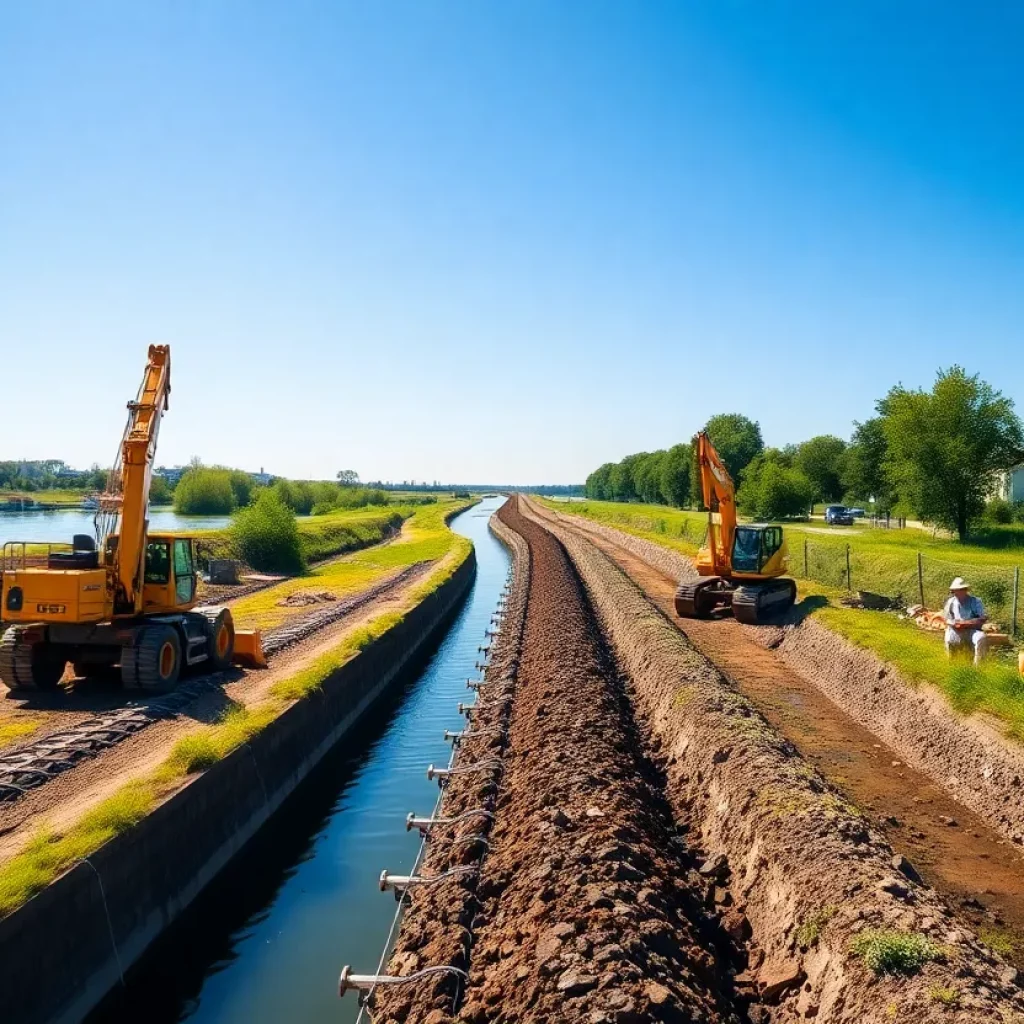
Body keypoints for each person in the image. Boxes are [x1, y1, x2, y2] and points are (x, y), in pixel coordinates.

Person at [943, 577, 988, 665]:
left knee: (981, 638)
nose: (957, 592)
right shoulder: (951, 602)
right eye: (955, 590)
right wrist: (954, 623)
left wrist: (967, 623)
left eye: (960, 590)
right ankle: (951, 664)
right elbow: (946, 618)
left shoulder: (976, 601)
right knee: (948, 638)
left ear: (965, 590)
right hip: (956, 630)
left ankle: (977, 667)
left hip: (973, 630)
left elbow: (982, 619)